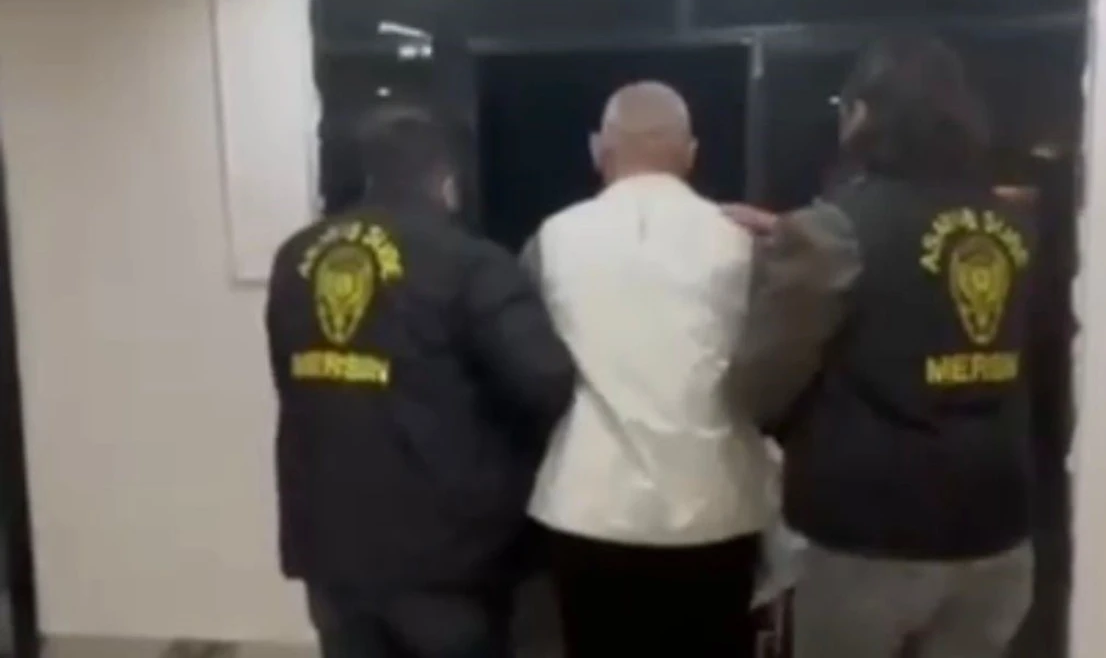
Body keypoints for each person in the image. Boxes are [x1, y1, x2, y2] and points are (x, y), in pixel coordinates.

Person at [723, 35, 1038, 658]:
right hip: (998, 528)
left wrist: (787, 258)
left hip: (869, 537)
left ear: (861, 113)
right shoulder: (1017, 225)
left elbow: (757, 388)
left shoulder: (833, 230)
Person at [265, 104, 576, 658]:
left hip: (330, 542)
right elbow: (545, 382)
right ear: (447, 179)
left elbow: (291, 376)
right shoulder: (470, 263)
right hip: (445, 555)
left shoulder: (295, 258)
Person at [524, 82, 772, 658]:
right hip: (717, 505)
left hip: (589, 507)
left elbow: (531, 369)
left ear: (598, 149)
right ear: (691, 153)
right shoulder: (743, 240)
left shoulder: (552, 238)